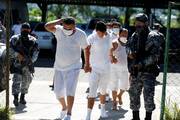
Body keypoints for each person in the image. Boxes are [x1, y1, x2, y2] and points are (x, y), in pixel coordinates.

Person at [45, 17, 90, 120]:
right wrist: (59, 21)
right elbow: (47, 26)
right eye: (65, 28)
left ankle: (69, 114)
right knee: (58, 93)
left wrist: (87, 64)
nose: (67, 30)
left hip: (73, 67)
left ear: (74, 26)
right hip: (59, 66)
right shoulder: (59, 30)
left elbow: (86, 48)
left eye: (69, 29)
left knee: (70, 91)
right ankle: (64, 108)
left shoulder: (81, 34)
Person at [126, 13, 161, 120]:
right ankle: (135, 118)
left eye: (140, 24)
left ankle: (148, 118)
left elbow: (155, 56)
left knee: (148, 97)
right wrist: (129, 52)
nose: (137, 25)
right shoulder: (134, 35)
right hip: (136, 72)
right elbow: (128, 46)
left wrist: (140, 63)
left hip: (148, 72)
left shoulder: (154, 36)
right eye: (136, 23)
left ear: (146, 23)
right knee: (133, 95)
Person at [85, 21, 113, 120]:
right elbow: (86, 51)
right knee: (92, 92)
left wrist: (112, 57)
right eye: (100, 32)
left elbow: (110, 49)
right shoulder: (91, 37)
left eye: (104, 32)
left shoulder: (108, 36)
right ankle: (88, 115)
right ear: (96, 31)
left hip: (106, 69)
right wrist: (87, 64)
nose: (102, 34)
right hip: (94, 69)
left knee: (103, 91)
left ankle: (102, 110)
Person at [10, 22, 39, 107]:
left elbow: (36, 53)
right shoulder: (15, 38)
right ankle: (15, 98)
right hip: (17, 63)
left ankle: (22, 97)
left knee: (27, 81)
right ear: (21, 29)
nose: (25, 30)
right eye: (23, 29)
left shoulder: (33, 40)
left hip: (28, 64)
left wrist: (30, 61)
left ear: (29, 30)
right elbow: (9, 49)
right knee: (16, 80)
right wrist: (17, 55)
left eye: (27, 29)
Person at [109, 27, 129, 110]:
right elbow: (109, 50)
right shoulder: (115, 42)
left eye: (126, 34)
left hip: (124, 68)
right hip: (114, 68)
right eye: (123, 33)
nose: (125, 35)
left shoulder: (128, 43)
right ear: (119, 34)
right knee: (114, 86)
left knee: (125, 86)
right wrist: (112, 57)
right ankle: (114, 102)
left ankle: (119, 95)